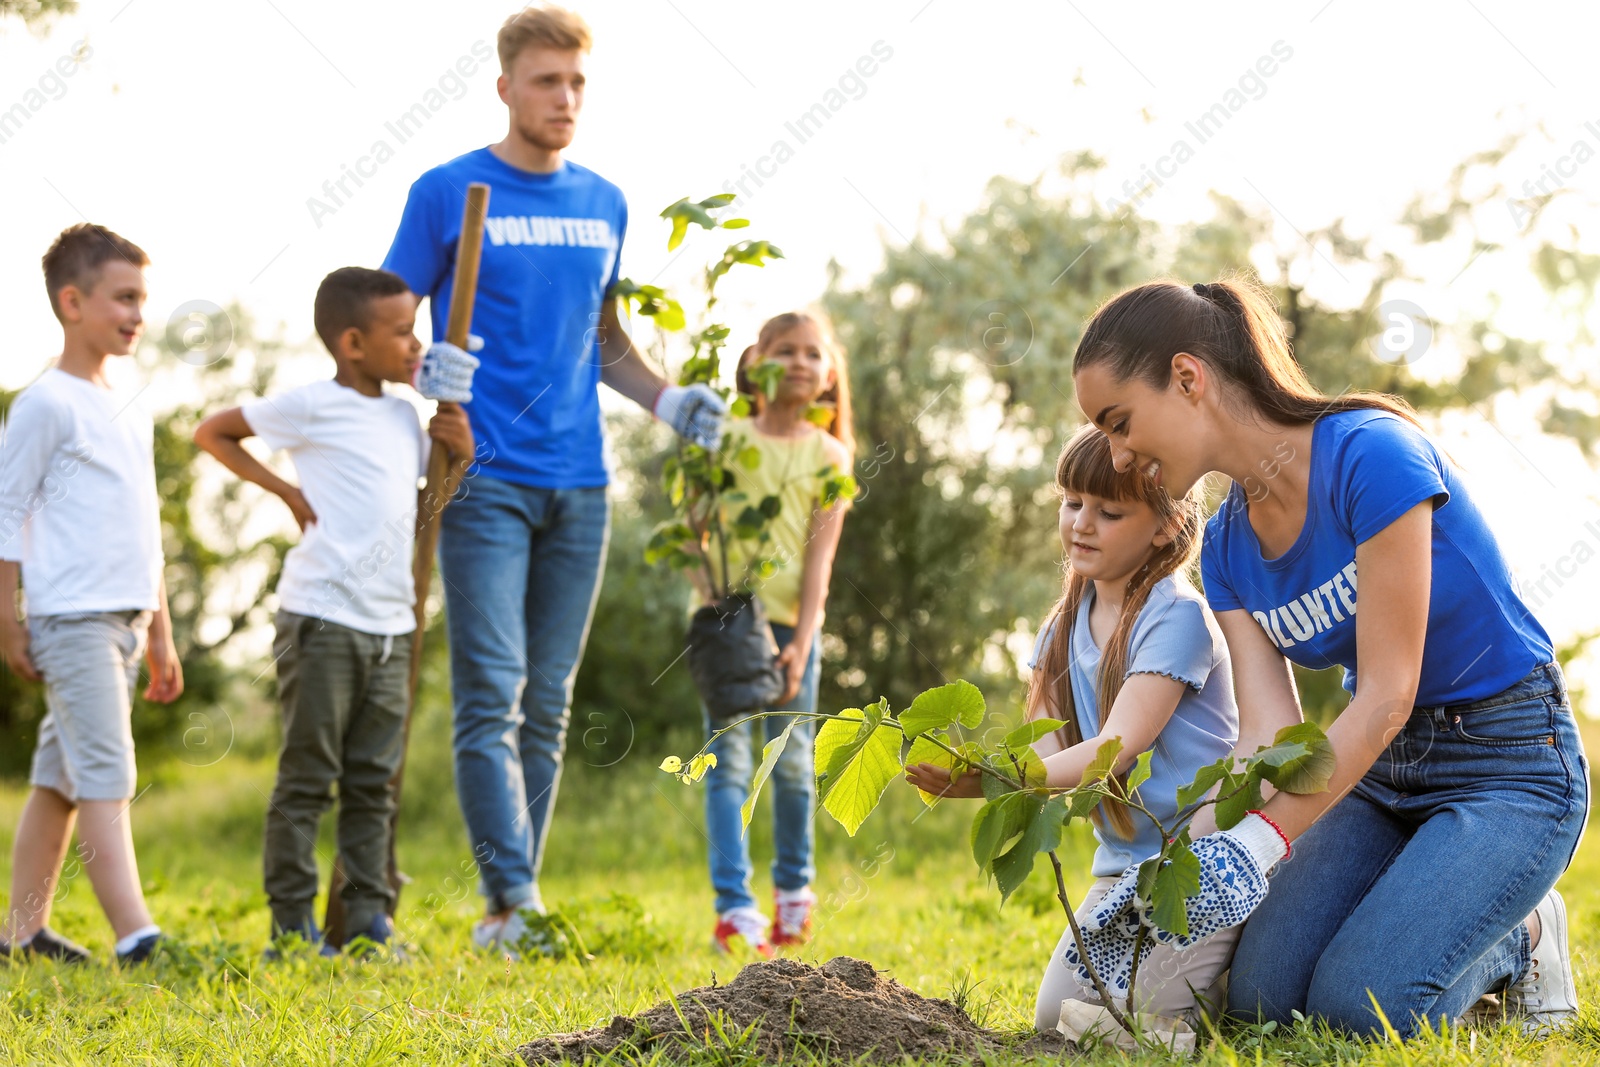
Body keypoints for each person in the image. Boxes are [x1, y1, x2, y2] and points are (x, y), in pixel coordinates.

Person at [1068, 276, 1587, 1037]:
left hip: (1508, 755)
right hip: (1380, 772)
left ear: (1188, 377)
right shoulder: (1228, 548)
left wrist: (1262, 839)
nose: (1117, 454)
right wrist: (1182, 859)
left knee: (1361, 1008)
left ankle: (1527, 936)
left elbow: (1385, 694)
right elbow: (1268, 737)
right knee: (1263, 1003)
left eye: (1119, 422)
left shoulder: (1371, 456)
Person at [379, 5, 725, 957]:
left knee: (551, 701)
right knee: (493, 691)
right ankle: (515, 895)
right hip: (481, 472)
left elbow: (604, 340)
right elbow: (381, 319)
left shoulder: (605, 201)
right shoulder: (449, 191)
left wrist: (670, 401)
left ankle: (509, 906)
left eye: (576, 83)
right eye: (544, 81)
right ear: (504, 87)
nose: (563, 99)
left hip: (581, 480)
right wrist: (422, 371)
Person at [906, 425, 1238, 1039]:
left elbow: (1116, 748)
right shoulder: (1063, 624)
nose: (1082, 523)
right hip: (1124, 865)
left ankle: (1216, 986)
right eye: (1072, 503)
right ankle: (1181, 995)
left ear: (1165, 527)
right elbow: (1046, 746)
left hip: (1198, 857)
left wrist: (997, 781)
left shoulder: (1176, 616)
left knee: (1140, 1021)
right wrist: (984, 771)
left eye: (1109, 511)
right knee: (1055, 1018)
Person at [194, 267, 473, 955]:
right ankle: (291, 927)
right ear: (353, 342)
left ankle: (368, 923)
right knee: (308, 778)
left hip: (393, 624)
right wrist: (286, 492)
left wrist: (458, 463)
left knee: (375, 782)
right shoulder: (313, 405)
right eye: (402, 331)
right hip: (321, 618)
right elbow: (213, 432)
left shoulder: (408, 416)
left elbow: (418, 517)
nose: (416, 345)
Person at [0, 224, 184, 965]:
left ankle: (18, 934)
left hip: (124, 616)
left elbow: (146, 522)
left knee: (62, 778)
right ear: (71, 301)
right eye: (124, 298)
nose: (138, 314)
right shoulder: (46, 403)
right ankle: (138, 935)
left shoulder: (130, 402)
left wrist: (160, 630)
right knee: (109, 771)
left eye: (143, 299)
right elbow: (6, 512)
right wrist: (10, 619)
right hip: (69, 616)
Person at [696, 312, 855, 957]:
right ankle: (735, 908)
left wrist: (803, 638)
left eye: (812, 353)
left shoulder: (830, 456)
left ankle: (794, 899)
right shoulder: (723, 441)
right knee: (728, 763)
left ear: (827, 376)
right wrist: (713, 602)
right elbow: (694, 531)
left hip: (795, 624)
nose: (797, 361)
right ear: (752, 362)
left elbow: (820, 559)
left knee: (790, 765)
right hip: (729, 622)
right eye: (783, 350)